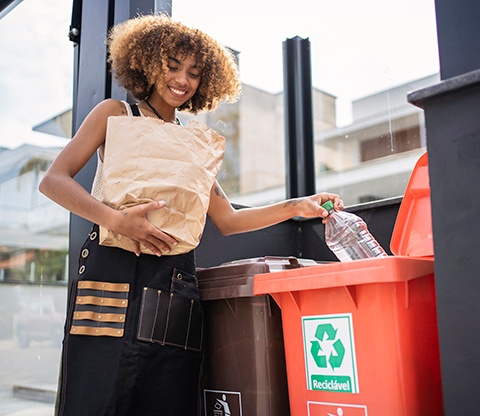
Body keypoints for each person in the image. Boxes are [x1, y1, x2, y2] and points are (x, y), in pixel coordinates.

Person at [39, 13, 343, 416]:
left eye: (195, 73)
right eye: (172, 66)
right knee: (96, 393)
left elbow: (228, 219)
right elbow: (54, 181)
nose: (183, 80)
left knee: (167, 392)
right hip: (111, 274)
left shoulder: (194, 142)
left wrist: (297, 205)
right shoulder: (115, 113)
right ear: (147, 62)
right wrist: (117, 220)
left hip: (172, 280)